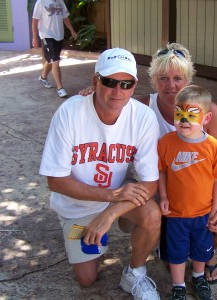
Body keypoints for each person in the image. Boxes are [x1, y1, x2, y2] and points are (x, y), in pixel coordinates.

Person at [80, 43, 217, 284]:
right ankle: (165, 246)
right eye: (163, 78)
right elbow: (111, 100)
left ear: (189, 80)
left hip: (198, 192)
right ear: (153, 80)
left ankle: (204, 251)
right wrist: (91, 96)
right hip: (158, 190)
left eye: (178, 78)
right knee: (146, 214)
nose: (171, 85)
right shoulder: (141, 106)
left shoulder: (210, 113)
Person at [39, 48, 161, 300]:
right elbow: (56, 181)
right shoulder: (69, 113)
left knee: (151, 213)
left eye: (126, 84)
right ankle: (81, 233)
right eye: (109, 82)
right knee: (87, 279)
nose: (118, 91)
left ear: (134, 85)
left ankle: (135, 273)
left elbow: (150, 183)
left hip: (117, 198)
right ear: (95, 81)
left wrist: (110, 212)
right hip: (78, 204)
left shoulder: (143, 117)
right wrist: (111, 195)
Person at [158, 85, 217, 300]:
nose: (183, 120)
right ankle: (178, 285)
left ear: (206, 118)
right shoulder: (166, 143)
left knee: (201, 249)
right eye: (179, 113)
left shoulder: (213, 146)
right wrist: (163, 196)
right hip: (175, 213)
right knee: (177, 252)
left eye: (191, 115)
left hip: (202, 213)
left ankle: (198, 276)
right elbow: (162, 171)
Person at [31, 0, 77, 98]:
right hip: (47, 35)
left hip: (59, 35)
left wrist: (72, 30)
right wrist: (35, 37)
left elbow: (65, 17)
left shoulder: (61, 1)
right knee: (55, 60)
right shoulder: (41, 2)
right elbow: (35, 21)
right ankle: (60, 88)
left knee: (51, 59)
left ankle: (43, 77)